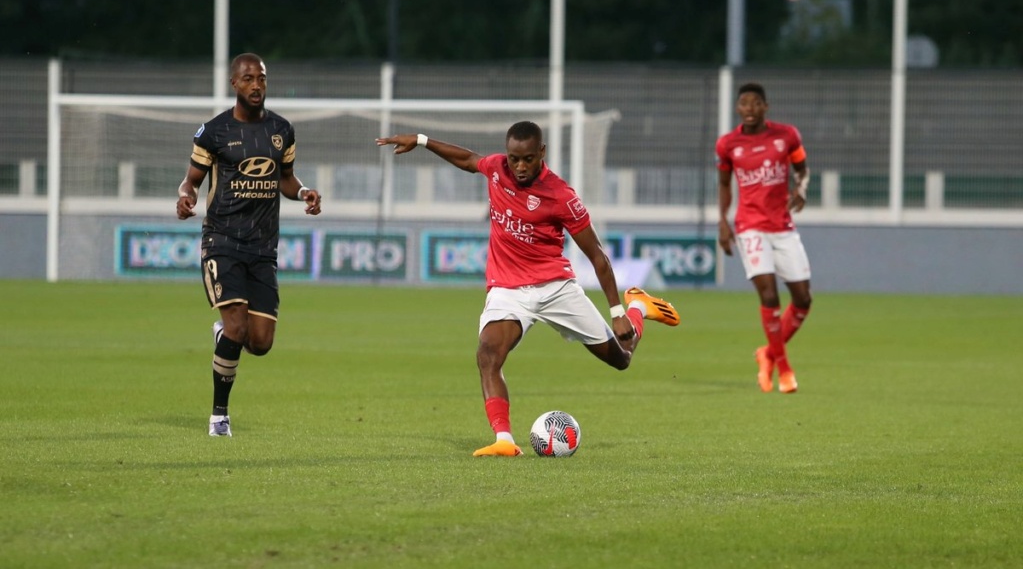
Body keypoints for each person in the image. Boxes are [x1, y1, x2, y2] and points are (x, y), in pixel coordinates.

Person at [377, 122, 680, 457]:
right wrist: (421, 141)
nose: (519, 167)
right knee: (488, 354)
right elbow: (467, 160)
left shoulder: (561, 196)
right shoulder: (497, 170)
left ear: (542, 154)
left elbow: (597, 256)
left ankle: (640, 306)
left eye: (528, 159)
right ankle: (504, 440)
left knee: (621, 360)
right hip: (507, 289)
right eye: (514, 159)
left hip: (555, 288)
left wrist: (619, 311)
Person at [176, 53, 322, 436]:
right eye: (248, 79)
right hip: (222, 241)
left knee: (260, 343)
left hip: (262, 248)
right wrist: (186, 196)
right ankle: (219, 417)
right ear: (234, 84)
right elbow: (191, 179)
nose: (256, 85)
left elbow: (285, 178)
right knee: (237, 325)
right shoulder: (214, 132)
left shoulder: (282, 131)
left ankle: (224, 334)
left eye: (261, 78)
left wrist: (304, 191)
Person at [716, 82, 812, 394]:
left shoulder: (787, 136)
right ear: (738, 108)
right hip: (750, 226)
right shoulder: (728, 144)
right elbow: (725, 184)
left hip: (782, 226)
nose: (750, 108)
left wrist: (801, 190)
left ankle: (766, 353)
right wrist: (723, 221)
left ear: (765, 107)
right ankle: (784, 368)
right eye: (744, 103)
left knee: (803, 299)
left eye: (756, 103)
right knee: (769, 296)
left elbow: (802, 169)